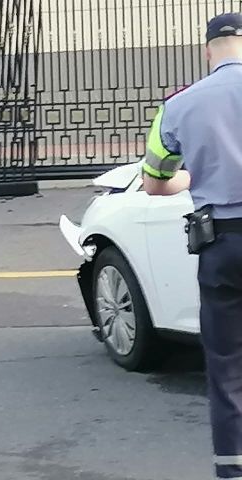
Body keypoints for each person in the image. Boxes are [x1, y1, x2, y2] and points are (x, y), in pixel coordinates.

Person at [142, 12, 242, 480]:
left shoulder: (179, 105)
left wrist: (192, 177)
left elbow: (155, 183)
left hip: (222, 242)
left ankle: (232, 468)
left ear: (207, 52)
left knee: (226, 363)